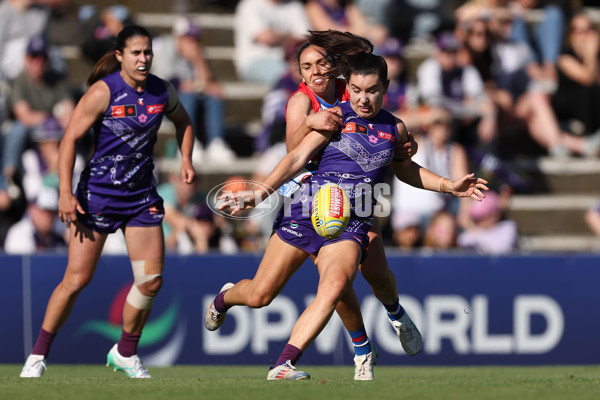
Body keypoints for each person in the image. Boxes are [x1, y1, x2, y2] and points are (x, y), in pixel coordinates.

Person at [213, 52, 488, 380]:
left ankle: (284, 364)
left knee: (335, 286)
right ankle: (224, 298)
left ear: (385, 88)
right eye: (356, 90)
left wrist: (449, 185)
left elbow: (406, 171)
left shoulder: (394, 128)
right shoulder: (334, 117)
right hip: (306, 210)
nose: (363, 98)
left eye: (371, 90)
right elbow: (296, 157)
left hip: (352, 221)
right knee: (260, 295)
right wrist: (259, 193)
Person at [19, 25, 196, 379]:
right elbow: (69, 140)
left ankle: (125, 352)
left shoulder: (162, 90)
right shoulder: (104, 92)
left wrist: (186, 160)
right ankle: (38, 354)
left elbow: (184, 122)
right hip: (97, 198)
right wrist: (66, 194)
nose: (143, 59)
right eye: (135, 53)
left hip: (141, 197)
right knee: (76, 279)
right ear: (120, 56)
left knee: (150, 281)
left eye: (147, 52)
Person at [152, 16, 234, 163]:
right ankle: (188, 143)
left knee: (214, 96)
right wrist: (200, 85)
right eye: (189, 37)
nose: (194, 42)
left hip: (193, 103)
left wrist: (198, 60)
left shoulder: (199, 53)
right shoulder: (167, 46)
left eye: (196, 38)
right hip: (164, 106)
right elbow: (168, 83)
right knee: (189, 95)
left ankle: (216, 143)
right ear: (178, 37)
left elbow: (210, 83)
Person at [233, 0, 310, 86]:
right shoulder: (250, 5)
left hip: (290, 62)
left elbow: (306, 38)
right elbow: (265, 38)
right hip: (255, 61)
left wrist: (276, 36)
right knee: (290, 78)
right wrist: (291, 36)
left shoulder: (295, 6)